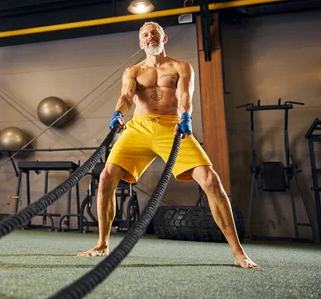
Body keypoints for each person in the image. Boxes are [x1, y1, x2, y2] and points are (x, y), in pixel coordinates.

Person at [77, 21, 259, 269]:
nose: (149, 37)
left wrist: (186, 117)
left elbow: (185, 96)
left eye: (154, 33)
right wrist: (118, 113)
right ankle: (102, 244)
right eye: (145, 35)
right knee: (107, 176)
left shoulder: (181, 67)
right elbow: (126, 96)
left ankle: (239, 253)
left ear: (164, 38)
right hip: (138, 127)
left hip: (172, 127)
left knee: (210, 179)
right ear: (140, 43)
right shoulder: (133, 71)